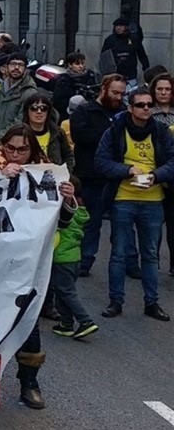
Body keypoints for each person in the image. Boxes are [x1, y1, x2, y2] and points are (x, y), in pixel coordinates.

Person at [0, 124, 75, 409]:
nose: (16, 154)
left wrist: (68, 198)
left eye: (23, 149)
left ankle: (29, 383)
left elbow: (63, 222)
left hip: (27, 267)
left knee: (27, 322)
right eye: (10, 148)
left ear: (32, 150)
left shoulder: (48, 178)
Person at [95, 86, 172, 322]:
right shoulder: (116, 130)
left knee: (151, 255)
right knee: (118, 254)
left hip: (153, 200)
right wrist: (126, 170)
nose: (146, 109)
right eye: (141, 105)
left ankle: (152, 303)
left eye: (149, 105)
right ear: (130, 108)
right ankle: (115, 301)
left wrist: (156, 176)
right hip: (123, 199)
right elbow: (101, 161)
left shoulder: (161, 131)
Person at [72, 74, 127, 277]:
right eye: (115, 92)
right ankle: (86, 260)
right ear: (104, 89)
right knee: (91, 222)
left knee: (122, 224)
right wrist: (107, 136)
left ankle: (126, 261)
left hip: (117, 177)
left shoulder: (123, 113)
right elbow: (81, 137)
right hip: (90, 175)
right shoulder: (85, 110)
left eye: (122, 93)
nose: (118, 97)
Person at [50, 176, 98, 340]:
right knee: (62, 290)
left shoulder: (64, 213)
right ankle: (66, 323)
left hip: (61, 258)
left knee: (66, 292)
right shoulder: (81, 212)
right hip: (74, 258)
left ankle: (85, 321)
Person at [0, 52, 37, 145]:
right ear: (6, 68)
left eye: (20, 65)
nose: (16, 68)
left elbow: (20, 123)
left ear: (25, 69)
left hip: (15, 145)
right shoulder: (0, 89)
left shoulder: (29, 93)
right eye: (13, 64)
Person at [100, 17, 149, 85]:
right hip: (115, 75)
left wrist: (146, 68)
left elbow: (142, 55)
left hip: (130, 75)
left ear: (126, 27)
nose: (118, 28)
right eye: (116, 26)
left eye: (121, 26)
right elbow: (103, 57)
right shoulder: (110, 40)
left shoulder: (133, 39)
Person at [52, 52, 99, 120]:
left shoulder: (90, 76)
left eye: (82, 63)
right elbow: (59, 101)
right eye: (77, 64)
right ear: (70, 65)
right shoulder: (64, 79)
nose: (81, 66)